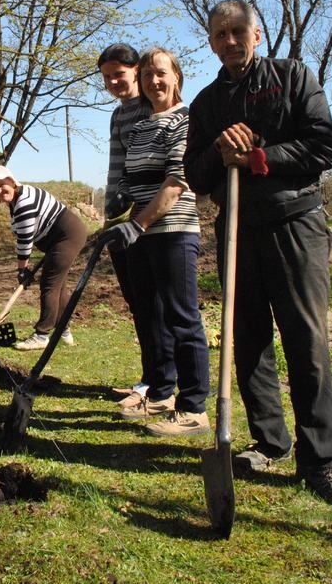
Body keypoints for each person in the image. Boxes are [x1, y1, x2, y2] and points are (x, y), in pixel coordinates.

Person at [184, 0, 332, 505]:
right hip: (237, 230)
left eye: (238, 31)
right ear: (213, 43)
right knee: (248, 340)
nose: (230, 41)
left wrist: (258, 156)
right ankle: (270, 443)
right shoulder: (206, 103)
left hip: (296, 224)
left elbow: (324, 146)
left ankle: (319, 461)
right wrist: (220, 152)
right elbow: (195, 175)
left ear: (256, 35)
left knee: (306, 342)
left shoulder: (292, 78)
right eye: (220, 34)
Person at [100, 47, 212, 437]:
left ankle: (194, 407)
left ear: (176, 76)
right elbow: (132, 178)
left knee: (183, 318)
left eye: (160, 74)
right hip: (141, 233)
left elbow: (177, 182)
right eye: (147, 76)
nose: (154, 82)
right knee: (150, 311)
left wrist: (140, 223)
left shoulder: (186, 120)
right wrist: (117, 210)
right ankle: (162, 392)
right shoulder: (144, 125)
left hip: (174, 231)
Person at [97, 43, 157, 412]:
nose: (114, 82)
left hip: (146, 220)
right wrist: (111, 211)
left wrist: (137, 210)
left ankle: (158, 382)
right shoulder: (117, 115)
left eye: (119, 73)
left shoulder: (152, 107)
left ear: (136, 70)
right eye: (106, 77)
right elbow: (116, 168)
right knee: (137, 304)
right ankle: (149, 376)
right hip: (118, 220)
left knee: (154, 304)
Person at [0, 165, 87, 350]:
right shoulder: (15, 200)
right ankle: (64, 331)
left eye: (2, 185)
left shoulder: (23, 203)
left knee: (49, 284)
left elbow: (25, 240)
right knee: (58, 285)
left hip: (67, 236)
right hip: (58, 238)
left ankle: (42, 335)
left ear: (12, 182)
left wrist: (22, 270)